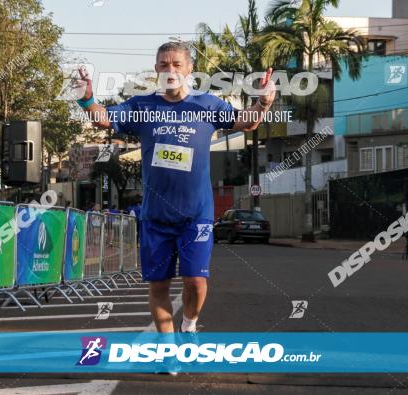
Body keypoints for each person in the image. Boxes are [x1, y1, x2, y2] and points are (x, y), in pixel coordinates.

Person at [75, 41, 275, 335]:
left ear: (189, 69)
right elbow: (103, 119)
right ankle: (168, 349)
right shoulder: (142, 107)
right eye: (164, 65)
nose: (170, 70)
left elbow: (246, 123)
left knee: (196, 281)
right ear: (156, 69)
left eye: (176, 64)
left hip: (196, 215)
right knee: (159, 285)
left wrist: (263, 105)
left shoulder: (206, 105)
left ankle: (190, 325)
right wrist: (86, 100)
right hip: (156, 217)